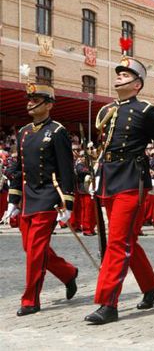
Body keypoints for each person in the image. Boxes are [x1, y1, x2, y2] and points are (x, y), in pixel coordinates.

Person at [84, 38, 154, 324]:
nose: (118, 77)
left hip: (133, 181)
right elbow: (105, 147)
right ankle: (151, 285)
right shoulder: (108, 112)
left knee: (117, 242)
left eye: (125, 74)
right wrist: (95, 175)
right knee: (128, 239)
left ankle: (108, 303)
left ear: (137, 84)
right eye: (118, 73)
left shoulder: (147, 112)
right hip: (109, 178)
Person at [3, 81, 78, 316]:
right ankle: (68, 273)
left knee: (36, 251)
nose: (30, 103)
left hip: (48, 197)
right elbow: (18, 168)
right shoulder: (24, 132)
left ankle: (30, 300)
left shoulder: (57, 131)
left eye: (36, 100)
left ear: (49, 105)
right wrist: (13, 201)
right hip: (27, 197)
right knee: (31, 248)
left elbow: (67, 168)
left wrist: (68, 201)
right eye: (29, 99)